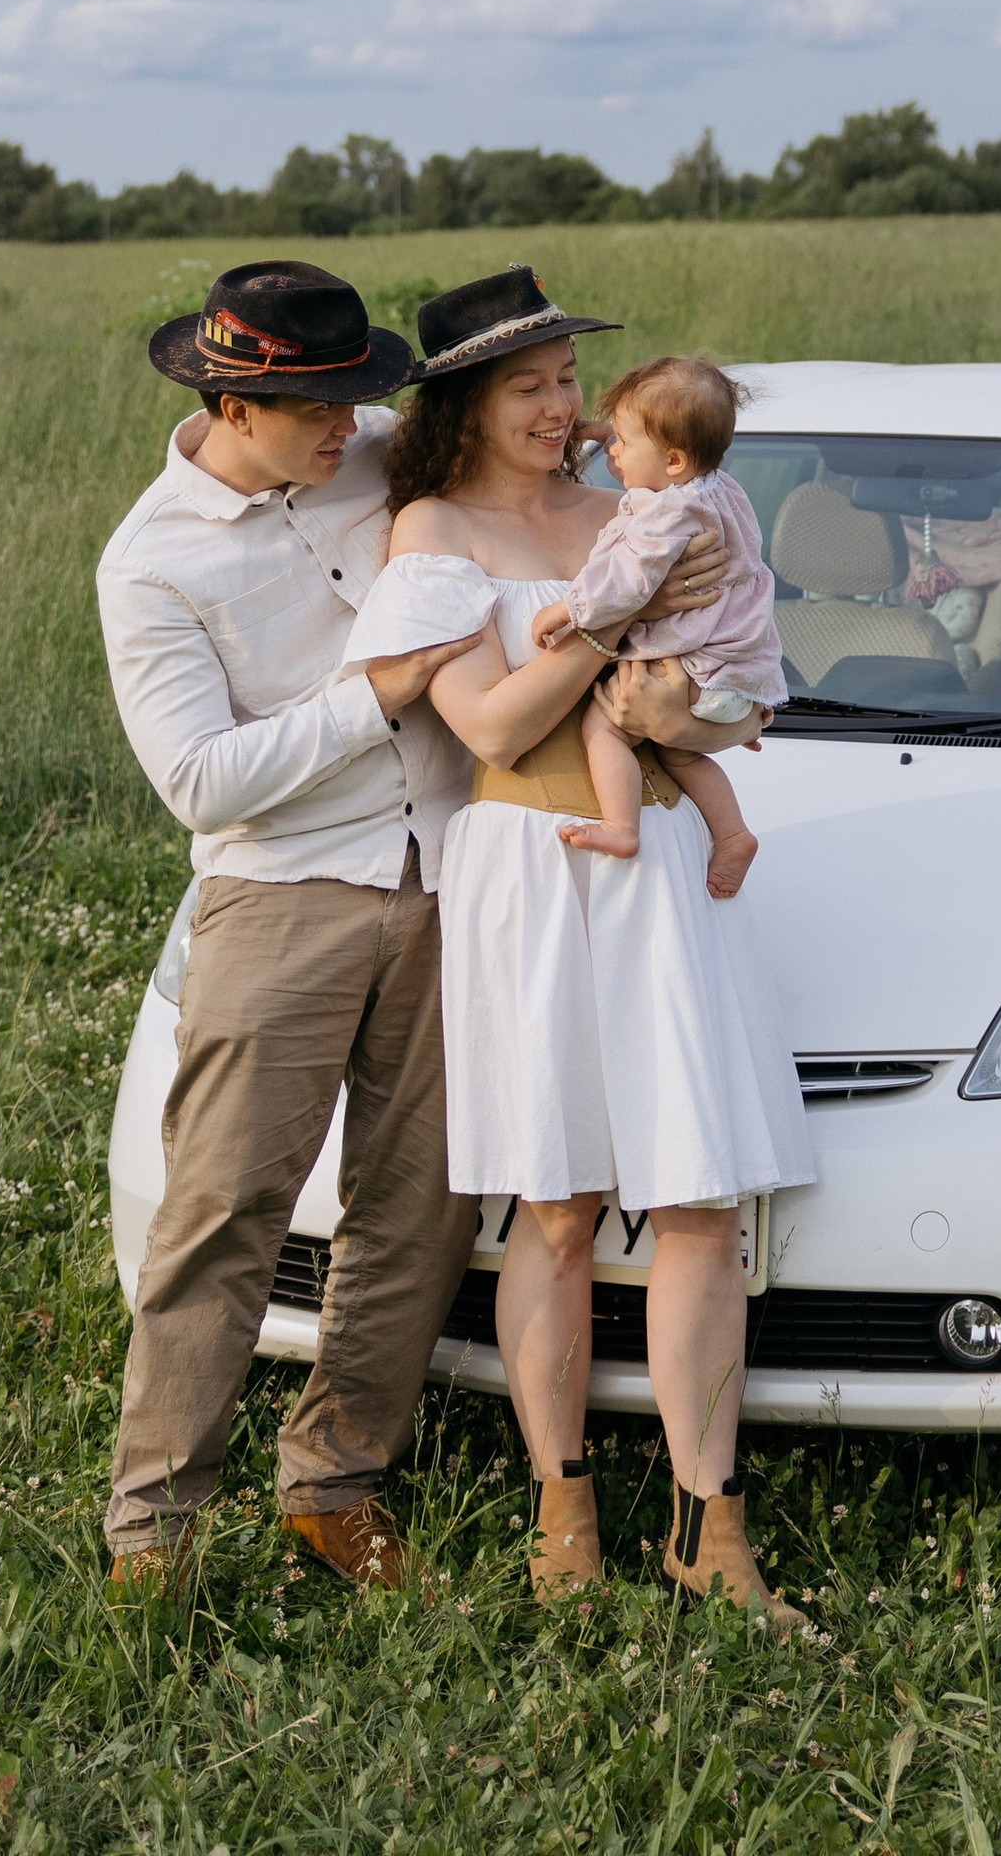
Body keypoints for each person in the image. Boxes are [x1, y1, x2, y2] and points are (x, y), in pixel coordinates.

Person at [94, 257, 726, 1599]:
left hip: (459, 882)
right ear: (230, 400)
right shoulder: (151, 561)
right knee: (224, 1208)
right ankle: (153, 1533)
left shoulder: (385, 459)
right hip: (285, 895)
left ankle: (334, 1484)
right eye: (321, 408)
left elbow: (521, 461)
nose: (351, 427)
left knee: (419, 1211)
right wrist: (375, 693)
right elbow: (199, 781)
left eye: (361, 400)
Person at [341, 269, 815, 1622]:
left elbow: (719, 691)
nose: (560, 410)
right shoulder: (432, 527)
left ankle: (708, 1527)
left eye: (567, 384)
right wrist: (611, 629)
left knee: (698, 1207)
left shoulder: (641, 510)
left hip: (660, 860)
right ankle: (564, 1506)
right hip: (532, 865)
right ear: (467, 405)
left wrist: (706, 705)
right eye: (530, 387)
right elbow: (487, 726)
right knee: (549, 1209)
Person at [535, 353, 785, 892]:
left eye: (621, 442)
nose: (612, 451)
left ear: (672, 460)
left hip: (691, 668)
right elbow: (658, 443)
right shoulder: (718, 487)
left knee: (602, 729)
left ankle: (622, 828)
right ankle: (734, 832)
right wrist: (613, 428)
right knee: (680, 752)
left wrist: (568, 609)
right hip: (734, 672)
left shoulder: (667, 515)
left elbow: (628, 579)